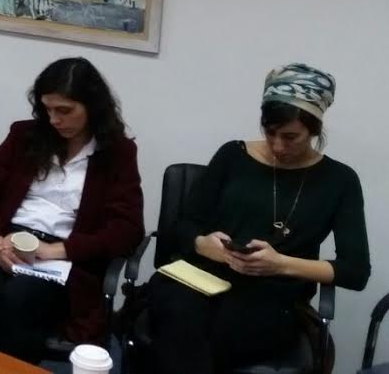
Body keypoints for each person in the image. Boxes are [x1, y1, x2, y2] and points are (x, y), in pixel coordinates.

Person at [147, 63, 369, 374]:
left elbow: (355, 271)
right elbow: (182, 226)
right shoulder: (232, 156)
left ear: (314, 129)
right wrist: (201, 244)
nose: (277, 146)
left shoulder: (340, 181)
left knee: (210, 332)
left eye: (291, 137)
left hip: (271, 296)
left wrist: (280, 264)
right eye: (270, 132)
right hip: (199, 277)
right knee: (178, 312)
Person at [0, 57, 143, 363]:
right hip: (6, 244)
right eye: (47, 109)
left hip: (64, 258)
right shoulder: (25, 135)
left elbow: (127, 229)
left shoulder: (116, 152)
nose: (54, 120)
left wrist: (57, 251)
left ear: (92, 106)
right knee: (3, 298)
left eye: (64, 110)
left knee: (17, 300)